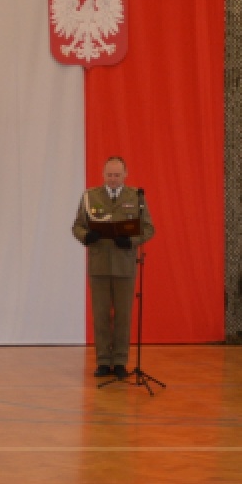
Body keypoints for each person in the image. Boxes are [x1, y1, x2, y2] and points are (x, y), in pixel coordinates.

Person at [71, 156, 155, 379]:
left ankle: (119, 361)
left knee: (122, 316)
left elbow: (148, 228)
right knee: (100, 315)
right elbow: (77, 226)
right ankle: (102, 361)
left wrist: (132, 241)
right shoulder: (90, 196)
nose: (113, 179)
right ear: (103, 174)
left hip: (124, 264)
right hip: (99, 264)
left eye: (117, 175)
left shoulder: (136, 197)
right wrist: (86, 236)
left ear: (125, 175)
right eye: (109, 175)